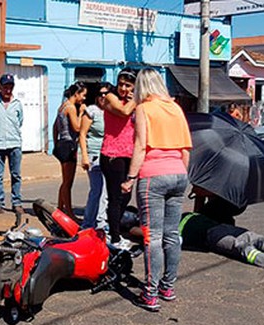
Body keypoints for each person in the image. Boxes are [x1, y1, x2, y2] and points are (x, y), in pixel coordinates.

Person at [121, 68, 192, 312]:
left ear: (142, 87)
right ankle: (168, 287)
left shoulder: (144, 109)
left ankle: (150, 293)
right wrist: (180, 175)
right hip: (178, 174)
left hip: (153, 176)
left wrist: (131, 177)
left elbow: (141, 145)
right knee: (173, 235)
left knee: (153, 237)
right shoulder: (175, 108)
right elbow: (185, 150)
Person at [101, 68, 137, 249]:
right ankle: (114, 238)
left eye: (128, 85)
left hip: (129, 154)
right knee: (115, 197)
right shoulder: (110, 97)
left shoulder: (131, 102)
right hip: (112, 154)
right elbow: (123, 112)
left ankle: (112, 227)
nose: (123, 88)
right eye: (121, 84)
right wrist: (137, 98)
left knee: (126, 195)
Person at [0, 73, 24, 215]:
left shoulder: (17, 103)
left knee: (16, 175)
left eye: (10, 87)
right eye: (5, 87)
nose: (8, 90)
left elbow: (20, 121)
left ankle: (16, 203)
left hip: (14, 144)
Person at [79, 82, 112, 230]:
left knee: (105, 192)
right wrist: (84, 156)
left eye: (106, 94)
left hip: (109, 155)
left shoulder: (112, 111)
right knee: (97, 191)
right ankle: (91, 223)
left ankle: (99, 222)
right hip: (94, 155)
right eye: (100, 94)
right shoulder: (92, 111)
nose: (103, 97)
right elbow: (82, 134)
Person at [53, 81, 87, 220]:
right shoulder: (71, 108)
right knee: (68, 182)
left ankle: (60, 209)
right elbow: (77, 128)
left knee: (65, 180)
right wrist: (81, 113)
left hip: (62, 143)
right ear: (76, 94)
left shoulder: (62, 106)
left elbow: (55, 127)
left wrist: (56, 144)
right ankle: (69, 213)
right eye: (83, 95)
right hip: (69, 145)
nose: (84, 98)